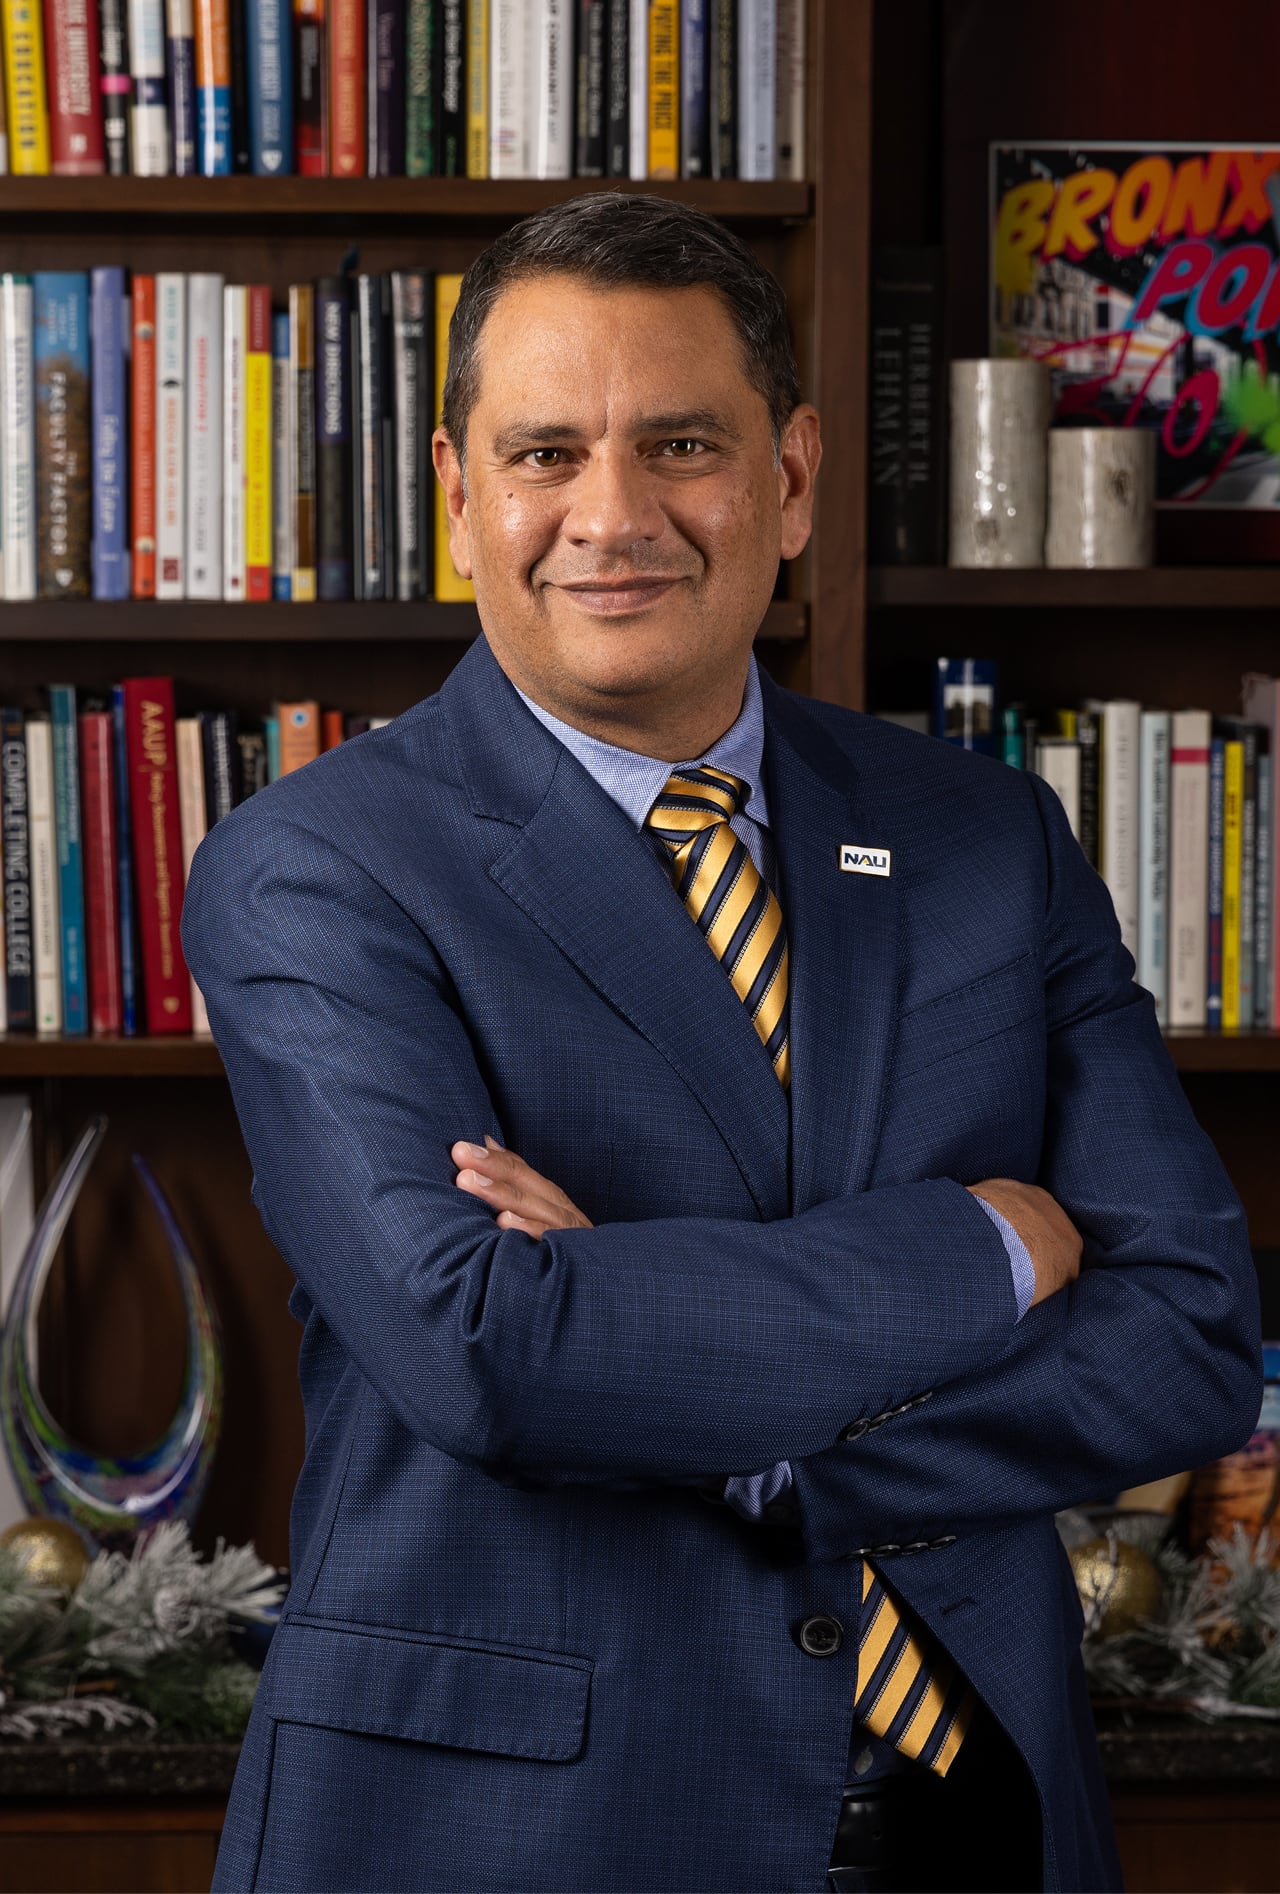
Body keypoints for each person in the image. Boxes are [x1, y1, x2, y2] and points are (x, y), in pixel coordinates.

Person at [181, 193, 1261, 1894]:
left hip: (970, 1811)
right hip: (518, 1830)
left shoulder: (986, 837)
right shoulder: (316, 868)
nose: (612, 516)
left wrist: (751, 1430)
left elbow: (1193, 1331)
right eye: (546, 453)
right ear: (462, 497)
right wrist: (984, 1241)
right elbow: (487, 1345)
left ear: (794, 477)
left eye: (680, 442)